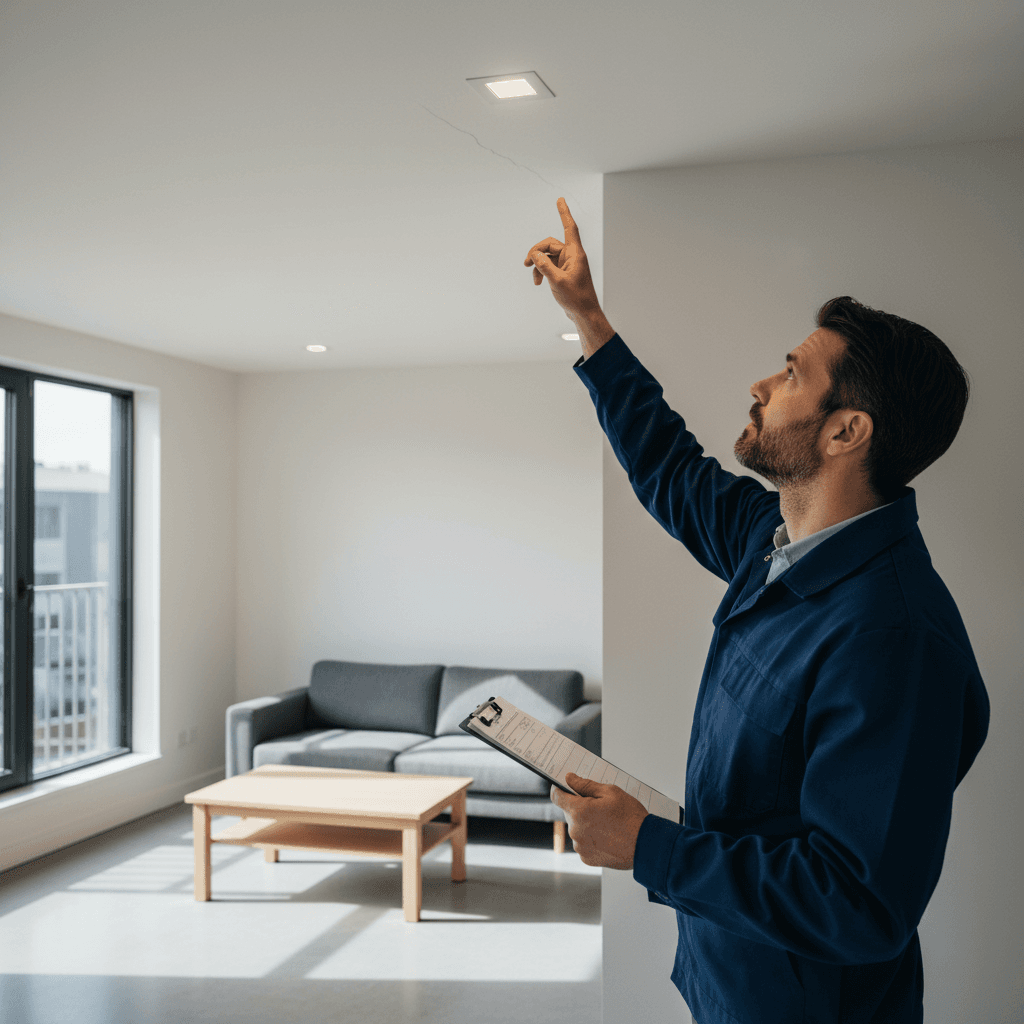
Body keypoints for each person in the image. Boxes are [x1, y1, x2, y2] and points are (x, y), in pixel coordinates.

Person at [525, 198, 990, 1024]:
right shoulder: (774, 545)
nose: (761, 385)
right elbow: (670, 468)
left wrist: (649, 848)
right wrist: (589, 320)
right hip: (731, 980)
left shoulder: (894, 638)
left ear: (847, 430)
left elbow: (859, 904)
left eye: (790, 373)